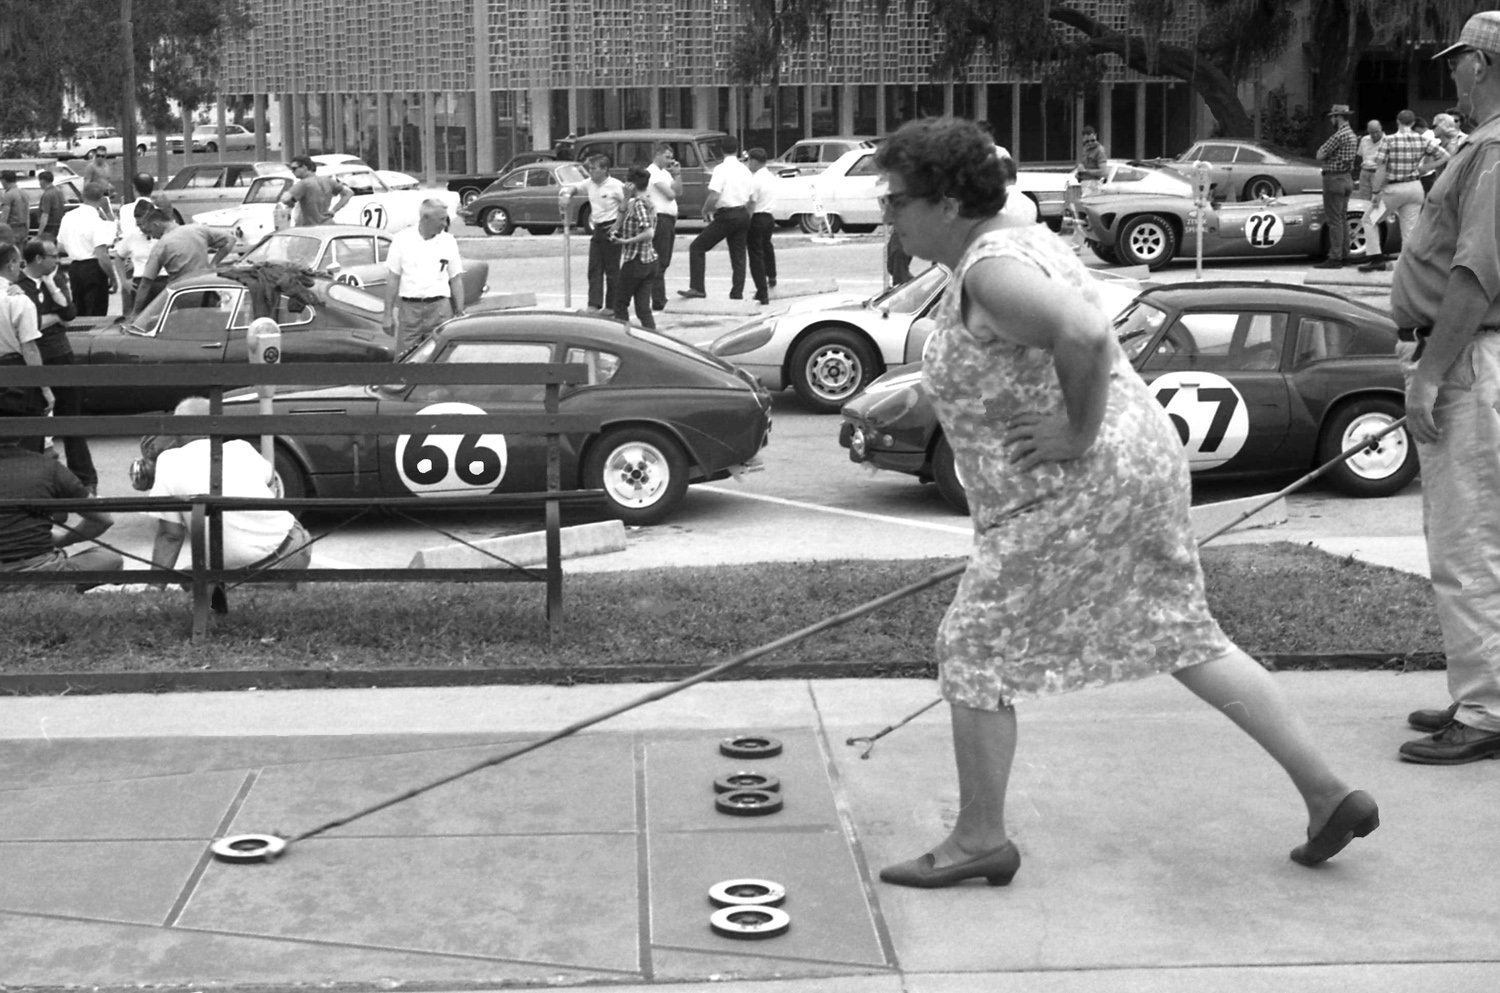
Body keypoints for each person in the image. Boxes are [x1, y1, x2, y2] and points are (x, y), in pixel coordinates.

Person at [870, 117, 1376, 889]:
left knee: (973, 644)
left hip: (1082, 484)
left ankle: (980, 838)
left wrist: (1074, 433)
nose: (886, 216)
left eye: (896, 200)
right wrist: (929, 397)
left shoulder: (990, 269)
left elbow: (1083, 333)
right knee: (1182, 633)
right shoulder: (1013, 236)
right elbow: (1014, 356)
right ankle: (1328, 792)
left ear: (944, 203)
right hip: (1140, 464)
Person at [1388, 10, 1500, 765]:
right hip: (1471, 355)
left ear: (1484, 66)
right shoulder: (1482, 150)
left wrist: (1429, 375)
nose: (1452, 74)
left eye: (1458, 62)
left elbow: (1475, 275)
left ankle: (1488, 709)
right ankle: (1480, 689)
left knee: (1464, 540)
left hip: (1463, 357)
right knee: (1475, 535)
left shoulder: (1493, 151)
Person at [147, 396, 312, 575]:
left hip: (248, 570)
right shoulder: (241, 448)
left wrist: (154, 587)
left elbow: (170, 535)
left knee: (193, 580)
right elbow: (269, 478)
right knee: (191, 573)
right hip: (294, 548)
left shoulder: (168, 462)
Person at [16, 238, 95, 493]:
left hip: (61, 354)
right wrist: (53, 317)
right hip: (33, 357)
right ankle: (37, 485)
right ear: (38, 259)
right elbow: (30, 324)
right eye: (52, 256)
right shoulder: (17, 286)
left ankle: (85, 481)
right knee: (34, 424)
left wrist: (50, 286)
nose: (57, 260)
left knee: (71, 420)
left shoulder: (57, 279)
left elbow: (70, 313)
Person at [0, 429, 123, 579]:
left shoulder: (46, 466)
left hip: (38, 569)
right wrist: (63, 540)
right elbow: (104, 519)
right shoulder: (47, 467)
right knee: (110, 557)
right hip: (42, 573)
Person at [1358, 109, 1447, 272]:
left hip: (1394, 189)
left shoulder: (1389, 140)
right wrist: (1424, 168)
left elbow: (1381, 168)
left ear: (1398, 122)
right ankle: (1408, 264)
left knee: (1369, 220)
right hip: (1414, 187)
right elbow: (1445, 156)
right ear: (1413, 123)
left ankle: (1376, 257)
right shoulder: (1421, 140)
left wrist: (1376, 192)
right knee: (1409, 228)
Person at [381, 199, 466, 355]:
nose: (444, 224)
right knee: (405, 357)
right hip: (410, 311)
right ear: (426, 218)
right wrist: (387, 315)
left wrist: (460, 311)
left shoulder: (448, 241)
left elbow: (455, 278)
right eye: (441, 219)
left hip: (440, 309)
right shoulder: (402, 239)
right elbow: (393, 278)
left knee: (439, 357)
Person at [679, 135, 754, 301]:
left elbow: (714, 195)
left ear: (721, 150)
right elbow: (751, 197)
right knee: (739, 256)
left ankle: (698, 287)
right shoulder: (745, 170)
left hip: (727, 214)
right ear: (737, 149)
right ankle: (737, 293)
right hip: (742, 213)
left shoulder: (720, 169)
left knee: (697, 247)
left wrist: (705, 210)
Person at [130, 208, 234, 317]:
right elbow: (231, 239)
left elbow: (145, 284)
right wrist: (214, 263)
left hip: (183, 296)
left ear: (156, 224)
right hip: (207, 292)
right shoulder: (198, 230)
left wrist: (135, 313)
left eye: (151, 231)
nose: (152, 236)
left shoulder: (161, 246)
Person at [560, 153, 626, 312]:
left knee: (612, 269)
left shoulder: (616, 186)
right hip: (597, 228)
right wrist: (567, 195)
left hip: (612, 227)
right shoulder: (589, 183)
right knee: (594, 268)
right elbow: (574, 187)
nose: (591, 172)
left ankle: (612, 306)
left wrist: (618, 225)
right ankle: (594, 304)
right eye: (589, 168)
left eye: (594, 168)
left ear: (604, 169)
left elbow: (628, 205)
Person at [0, 243, 48, 454]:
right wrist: (44, 388)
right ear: (10, 264)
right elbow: (29, 348)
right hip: (16, 375)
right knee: (26, 443)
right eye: (19, 263)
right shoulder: (18, 300)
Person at [55, 181, 118, 316]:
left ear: (82, 196)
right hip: (93, 267)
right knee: (96, 310)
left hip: (75, 268)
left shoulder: (68, 217)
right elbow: (101, 254)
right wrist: (112, 277)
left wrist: (76, 247)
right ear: (101, 199)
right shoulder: (97, 221)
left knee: (80, 310)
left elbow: (60, 246)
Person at [610, 165, 658, 329]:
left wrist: (626, 242)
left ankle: (625, 338)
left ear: (631, 184)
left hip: (636, 260)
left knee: (620, 304)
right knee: (643, 308)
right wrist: (625, 198)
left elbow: (649, 232)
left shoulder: (639, 204)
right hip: (649, 260)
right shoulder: (645, 201)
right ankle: (654, 340)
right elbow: (619, 220)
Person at [1313, 104, 1359, 268]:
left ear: (1338, 117)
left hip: (1334, 179)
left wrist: (1327, 157)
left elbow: (1320, 154)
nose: (1331, 120)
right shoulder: (1352, 135)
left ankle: (1335, 256)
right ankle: (1345, 254)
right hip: (1347, 178)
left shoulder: (1339, 135)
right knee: (1342, 218)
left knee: (1334, 220)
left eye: (1333, 117)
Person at [113, 173, 159, 313]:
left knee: (130, 296)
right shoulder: (158, 210)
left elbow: (122, 231)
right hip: (152, 258)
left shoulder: (125, 209)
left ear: (134, 188)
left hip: (129, 256)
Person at [646, 142, 682, 311]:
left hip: (669, 219)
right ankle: (658, 298)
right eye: (666, 157)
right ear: (658, 155)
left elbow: (679, 192)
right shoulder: (653, 173)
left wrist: (677, 175)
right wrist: (673, 183)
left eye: (671, 157)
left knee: (664, 259)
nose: (669, 161)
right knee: (660, 260)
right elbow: (669, 195)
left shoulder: (665, 174)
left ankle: (658, 295)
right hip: (660, 219)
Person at [745, 148, 778, 306]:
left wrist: (746, 219)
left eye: (748, 160)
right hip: (769, 216)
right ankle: (772, 277)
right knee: (767, 246)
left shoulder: (755, 179)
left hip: (757, 217)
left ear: (754, 161)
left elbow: (752, 202)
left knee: (755, 254)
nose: (748, 164)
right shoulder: (771, 176)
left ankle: (761, 290)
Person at [279, 155, 351, 227]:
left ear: (304, 167)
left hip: (310, 227)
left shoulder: (304, 184)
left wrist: (290, 200)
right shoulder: (328, 181)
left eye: (294, 168)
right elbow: (348, 193)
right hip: (328, 224)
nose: (292, 171)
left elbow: (285, 199)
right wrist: (333, 210)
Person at [1070, 126, 1108, 250]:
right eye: (1087, 141)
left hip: (1093, 185)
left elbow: (1103, 172)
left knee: (1085, 216)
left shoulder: (1099, 150)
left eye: (1092, 140)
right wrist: (1078, 172)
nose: (1090, 143)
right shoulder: (1085, 150)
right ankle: (1096, 242)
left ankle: (1076, 244)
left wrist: (1085, 171)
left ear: (1095, 136)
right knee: (1085, 216)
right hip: (1085, 184)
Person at [1356, 119, 1385, 199]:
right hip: (1364, 172)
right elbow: (1360, 154)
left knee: (1379, 200)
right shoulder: (1364, 140)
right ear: (1368, 130)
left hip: (1379, 172)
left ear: (1381, 128)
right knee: (1363, 199)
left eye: (1377, 131)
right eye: (1372, 132)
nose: (1375, 135)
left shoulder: (1388, 141)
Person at [35, 171, 67, 238]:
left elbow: (45, 215)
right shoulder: (59, 191)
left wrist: (39, 233)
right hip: (60, 225)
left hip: (49, 227)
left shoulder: (47, 195)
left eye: (39, 181)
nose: (39, 184)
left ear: (43, 181)